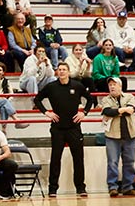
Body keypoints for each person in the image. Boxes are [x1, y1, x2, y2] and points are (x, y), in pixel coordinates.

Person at [33, 62, 94, 197]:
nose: (61, 72)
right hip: (57, 128)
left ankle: (80, 188)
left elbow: (90, 99)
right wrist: (47, 112)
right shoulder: (51, 87)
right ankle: (53, 189)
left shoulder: (77, 86)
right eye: (59, 70)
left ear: (68, 71)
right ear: (57, 72)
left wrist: (84, 112)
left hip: (74, 128)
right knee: (55, 159)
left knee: (78, 159)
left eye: (64, 70)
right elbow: (37, 100)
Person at [100, 77, 135, 197]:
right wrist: (122, 109)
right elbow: (107, 112)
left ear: (120, 86)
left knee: (130, 162)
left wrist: (117, 110)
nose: (111, 86)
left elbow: (131, 110)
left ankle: (128, 187)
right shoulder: (105, 99)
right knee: (112, 162)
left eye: (114, 84)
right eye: (110, 85)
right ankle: (112, 187)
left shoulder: (129, 97)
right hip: (112, 136)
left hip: (129, 135)